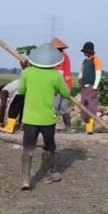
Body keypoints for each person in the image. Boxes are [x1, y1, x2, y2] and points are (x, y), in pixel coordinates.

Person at [17, 43, 70, 190]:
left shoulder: (27, 72)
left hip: (30, 118)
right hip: (47, 119)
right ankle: (48, 174)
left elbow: (21, 90)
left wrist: (24, 71)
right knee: (49, 146)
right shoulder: (55, 75)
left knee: (28, 148)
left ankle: (26, 180)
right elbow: (66, 93)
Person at [78, 41, 102, 134]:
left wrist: (95, 88)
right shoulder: (85, 61)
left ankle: (90, 128)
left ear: (90, 51)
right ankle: (87, 127)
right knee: (84, 108)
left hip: (92, 87)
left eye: (85, 51)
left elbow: (98, 74)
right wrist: (80, 80)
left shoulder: (96, 59)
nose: (84, 53)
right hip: (84, 87)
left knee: (92, 107)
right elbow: (81, 72)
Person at [50, 38, 72, 130]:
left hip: (63, 85)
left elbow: (60, 73)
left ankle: (67, 127)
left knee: (60, 108)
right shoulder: (60, 57)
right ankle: (53, 126)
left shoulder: (62, 57)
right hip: (61, 85)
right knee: (58, 107)